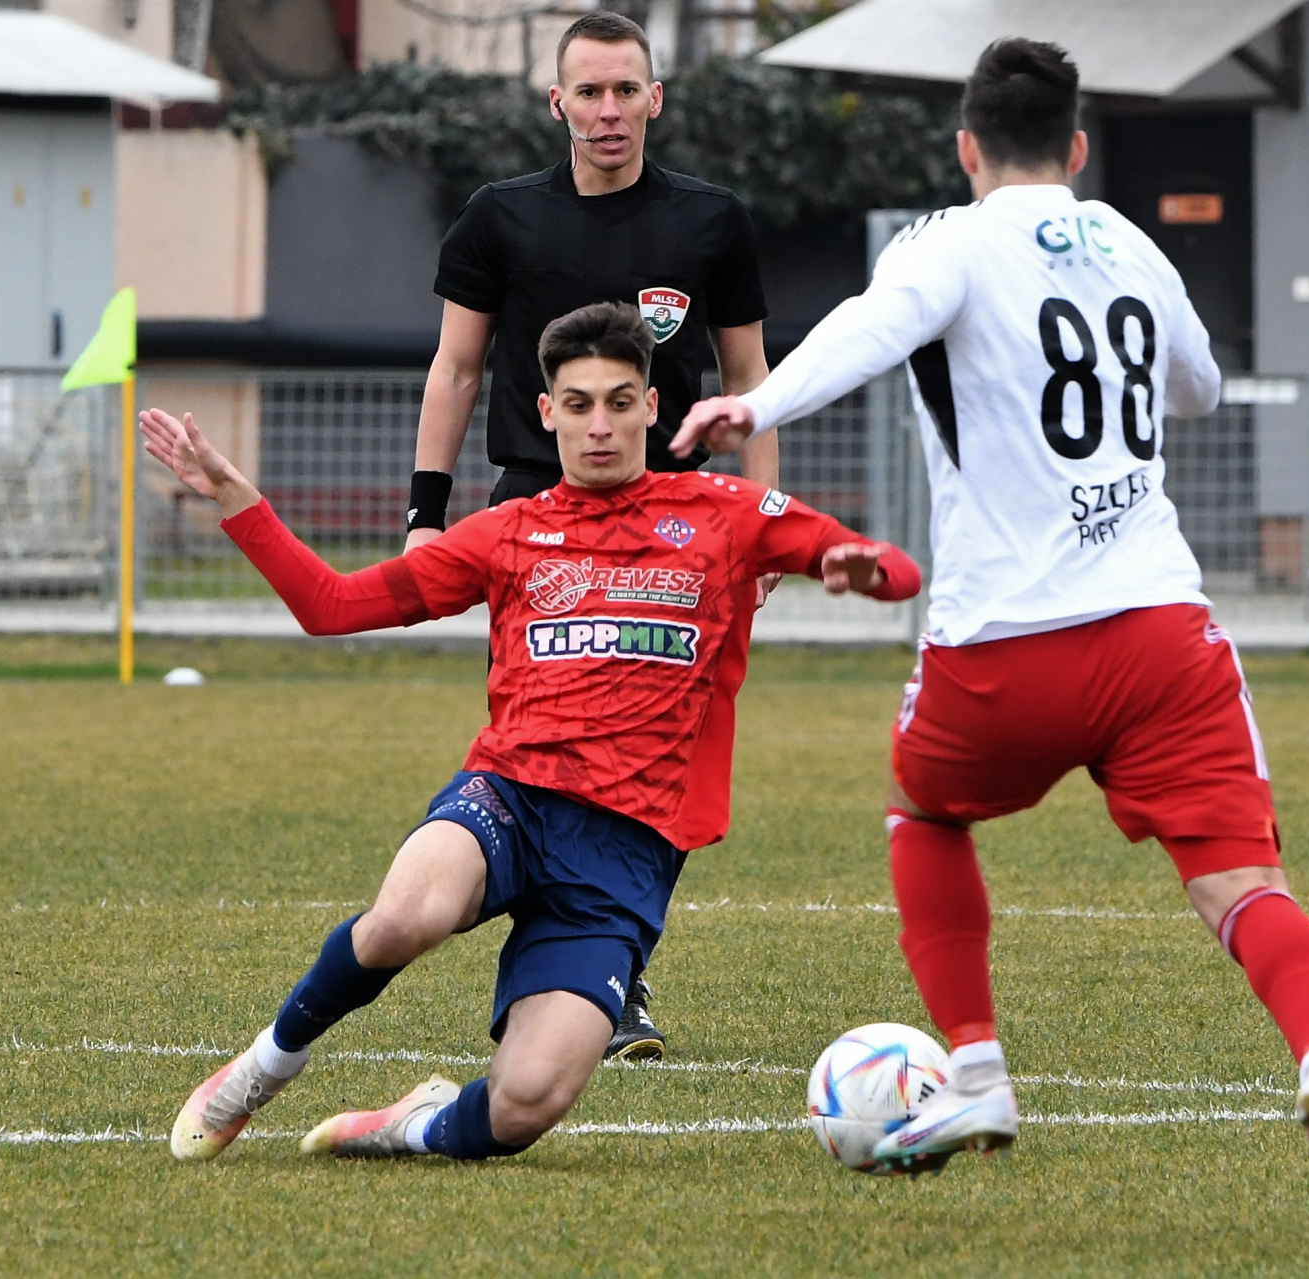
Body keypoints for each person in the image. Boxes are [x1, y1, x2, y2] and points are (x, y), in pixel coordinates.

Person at [673, 39, 1309, 1253]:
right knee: (1245, 888)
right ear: (1078, 146)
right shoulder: (1133, 245)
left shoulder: (949, 244)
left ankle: (979, 1069)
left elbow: (872, 326)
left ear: (966, 147)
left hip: (1004, 645)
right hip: (1161, 635)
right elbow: (1202, 389)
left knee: (923, 813)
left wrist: (756, 403)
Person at [153, 302, 919, 1166]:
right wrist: (239, 499)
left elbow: (898, 570)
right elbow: (332, 605)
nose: (600, 425)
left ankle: (407, 1124)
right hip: (510, 797)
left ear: (652, 406)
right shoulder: (508, 532)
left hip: (626, 852)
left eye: (619, 402)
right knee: (407, 914)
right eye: (579, 404)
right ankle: (260, 1069)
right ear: (547, 411)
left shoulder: (726, 515)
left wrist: (868, 570)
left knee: (523, 1105)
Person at [404, 9, 779, 1060]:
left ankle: (612, 963)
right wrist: (427, 513)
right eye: (589, 91)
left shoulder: (712, 222)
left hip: (677, 525)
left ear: (656, 98)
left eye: (626, 90)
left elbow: (748, 378)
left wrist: (761, 521)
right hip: (538, 519)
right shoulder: (499, 218)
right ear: (556, 102)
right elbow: (456, 368)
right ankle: (568, 963)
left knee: (662, 752)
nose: (608, 110)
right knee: (544, 744)